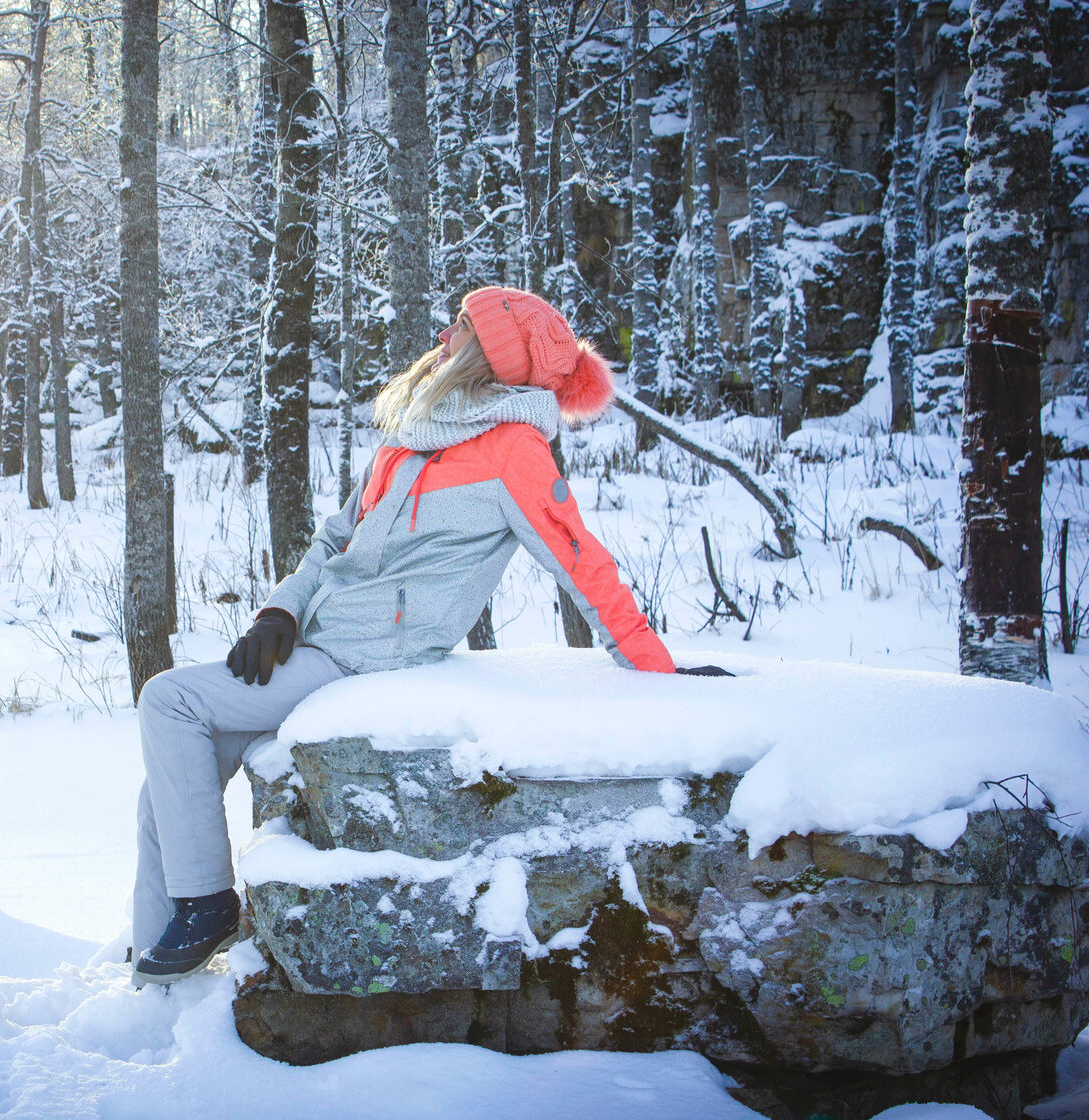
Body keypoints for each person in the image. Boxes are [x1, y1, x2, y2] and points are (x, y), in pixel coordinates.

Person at [129, 286, 679, 987]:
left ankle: (207, 905)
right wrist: (281, 614)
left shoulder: (515, 449)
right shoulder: (415, 431)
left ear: (491, 352)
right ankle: (150, 982)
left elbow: (580, 559)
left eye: (462, 328)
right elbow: (338, 535)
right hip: (317, 639)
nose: (444, 338)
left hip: (369, 658)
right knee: (167, 788)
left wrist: (658, 670)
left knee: (168, 702)